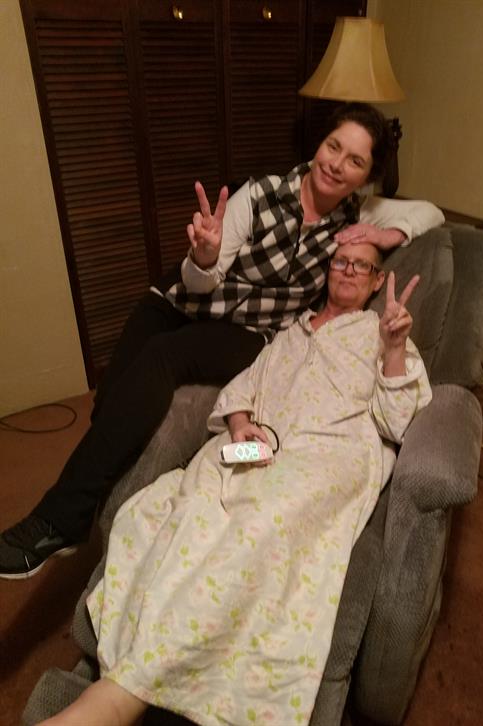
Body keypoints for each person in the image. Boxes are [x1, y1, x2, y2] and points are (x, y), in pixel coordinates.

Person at [0, 102, 444, 580]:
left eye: (355, 160)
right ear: (319, 144)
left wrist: (389, 231)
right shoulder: (261, 194)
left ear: (367, 177)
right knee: (114, 394)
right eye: (333, 146)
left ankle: (57, 522)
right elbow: (198, 283)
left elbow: (432, 212)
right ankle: (92, 502)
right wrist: (206, 256)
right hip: (186, 297)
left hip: (246, 330)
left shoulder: (357, 215)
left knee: (163, 357)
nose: (336, 164)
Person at [38, 241, 432, 726]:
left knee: (258, 525)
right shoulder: (291, 333)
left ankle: (119, 698)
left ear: (377, 280)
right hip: (258, 447)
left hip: (325, 459)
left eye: (362, 265)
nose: (348, 270)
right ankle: (153, 664)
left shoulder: (385, 333)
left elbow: (398, 421)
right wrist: (241, 424)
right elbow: (243, 389)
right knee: (172, 507)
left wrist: (394, 349)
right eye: (341, 261)